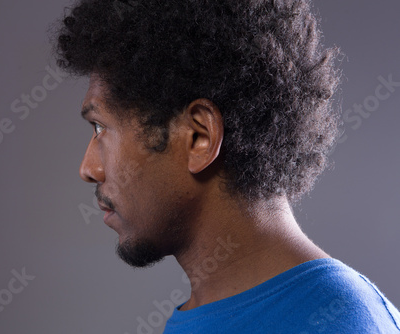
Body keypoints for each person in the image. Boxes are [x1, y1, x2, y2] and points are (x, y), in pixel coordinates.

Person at [53, 0, 400, 332]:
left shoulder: (343, 324)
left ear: (198, 138)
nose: (89, 168)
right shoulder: (200, 316)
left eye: (100, 128)